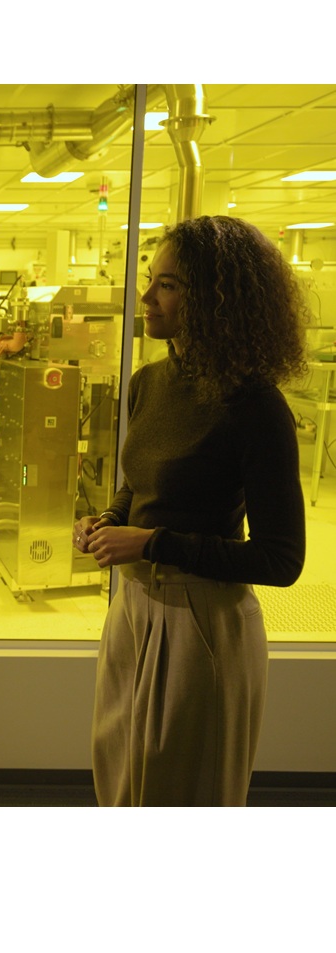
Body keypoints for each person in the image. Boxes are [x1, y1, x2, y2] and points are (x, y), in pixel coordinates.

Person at [73, 215, 308, 806]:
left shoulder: (255, 407)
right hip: (133, 611)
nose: (147, 298)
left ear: (217, 300)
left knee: (183, 797)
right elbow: (140, 485)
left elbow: (281, 560)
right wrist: (110, 519)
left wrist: (150, 543)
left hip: (199, 622)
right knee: (122, 784)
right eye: (151, 281)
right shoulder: (149, 381)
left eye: (169, 285)